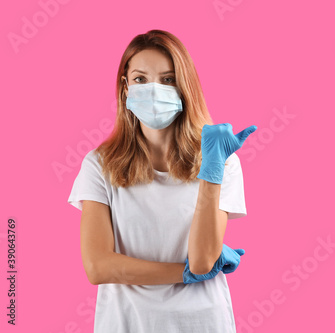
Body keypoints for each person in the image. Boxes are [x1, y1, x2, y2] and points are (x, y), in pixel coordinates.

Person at [67, 29, 257, 333]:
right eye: (141, 79)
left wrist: (212, 168)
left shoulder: (221, 161)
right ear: (125, 86)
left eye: (168, 79)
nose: (154, 90)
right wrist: (183, 273)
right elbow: (98, 266)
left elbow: (202, 262)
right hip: (127, 323)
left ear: (184, 87)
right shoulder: (99, 165)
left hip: (202, 322)